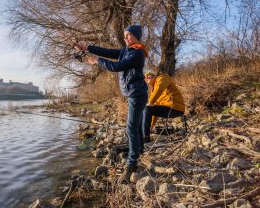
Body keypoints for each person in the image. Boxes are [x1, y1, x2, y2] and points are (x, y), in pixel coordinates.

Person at [75, 24, 148, 183]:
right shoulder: (126, 51)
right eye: (124, 35)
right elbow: (108, 52)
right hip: (135, 94)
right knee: (135, 126)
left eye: (128, 35)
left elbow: (116, 66)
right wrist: (87, 47)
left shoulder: (138, 53)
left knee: (131, 128)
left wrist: (97, 61)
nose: (125, 38)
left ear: (136, 36)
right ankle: (139, 150)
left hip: (138, 95)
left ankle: (132, 164)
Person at [143, 72, 185, 142]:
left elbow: (159, 88)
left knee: (147, 108)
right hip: (168, 109)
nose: (147, 78)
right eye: (146, 78)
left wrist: (150, 102)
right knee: (147, 109)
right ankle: (145, 135)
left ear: (154, 76)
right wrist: (152, 125)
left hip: (175, 107)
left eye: (149, 76)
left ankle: (145, 138)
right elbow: (153, 108)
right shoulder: (153, 91)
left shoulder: (162, 78)